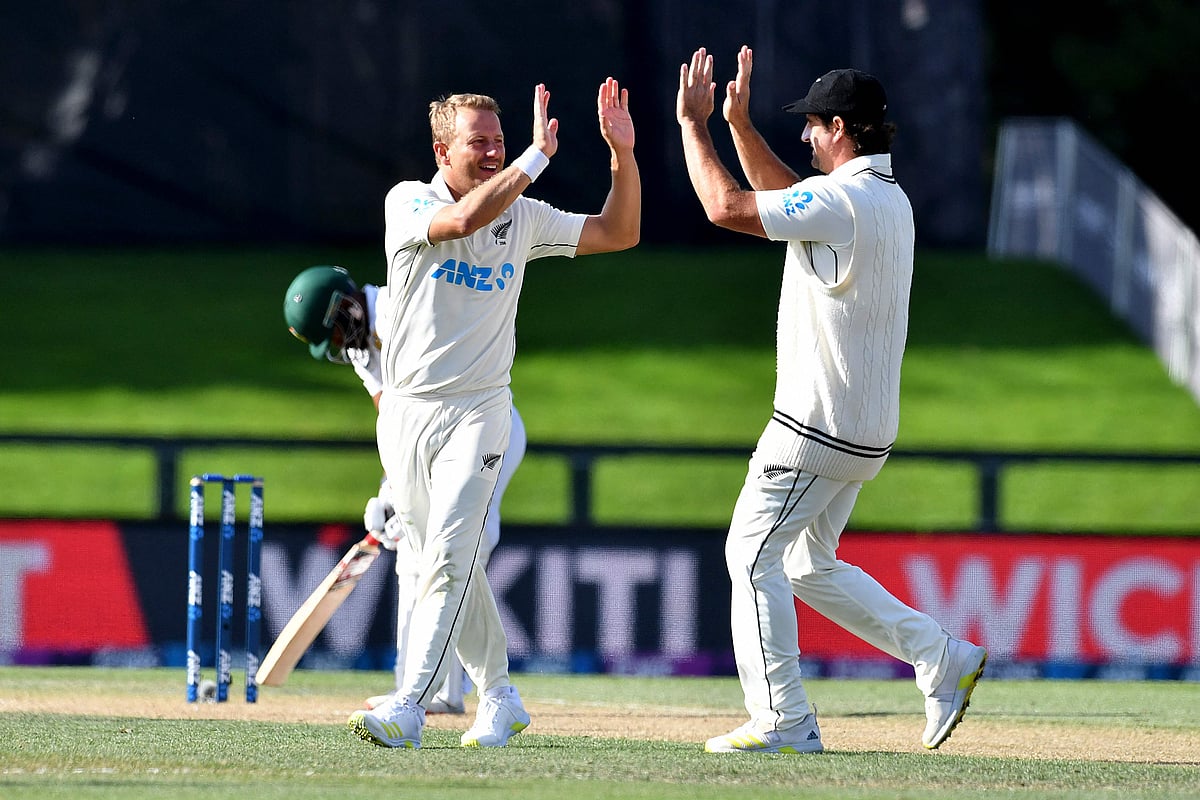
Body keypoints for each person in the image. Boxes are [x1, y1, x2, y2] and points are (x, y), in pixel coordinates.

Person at [676, 46, 986, 754]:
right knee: (805, 564)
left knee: (750, 557)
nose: (807, 137)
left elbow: (728, 208)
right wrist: (740, 126)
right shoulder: (882, 198)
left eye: (813, 126)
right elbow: (786, 199)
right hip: (863, 430)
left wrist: (696, 127)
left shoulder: (842, 201)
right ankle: (939, 656)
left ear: (840, 128)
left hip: (812, 428)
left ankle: (783, 720)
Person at [347, 76, 640, 750]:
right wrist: (531, 158)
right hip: (408, 415)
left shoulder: (525, 213)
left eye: (498, 142)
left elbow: (619, 232)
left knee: (450, 553)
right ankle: (501, 696)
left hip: (481, 413)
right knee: (441, 561)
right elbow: (461, 221)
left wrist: (622, 154)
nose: (492, 152)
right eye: (478, 142)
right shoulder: (410, 201)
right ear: (441, 150)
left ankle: (410, 707)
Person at [282, 264, 528, 714]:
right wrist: (389, 489)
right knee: (413, 559)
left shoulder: (402, 312)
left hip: (482, 433)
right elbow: (393, 420)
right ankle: (413, 686)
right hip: (427, 441)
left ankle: (452, 690)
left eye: (334, 335)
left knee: (458, 551)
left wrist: (401, 485)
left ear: (347, 307)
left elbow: (437, 405)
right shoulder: (361, 350)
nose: (339, 347)